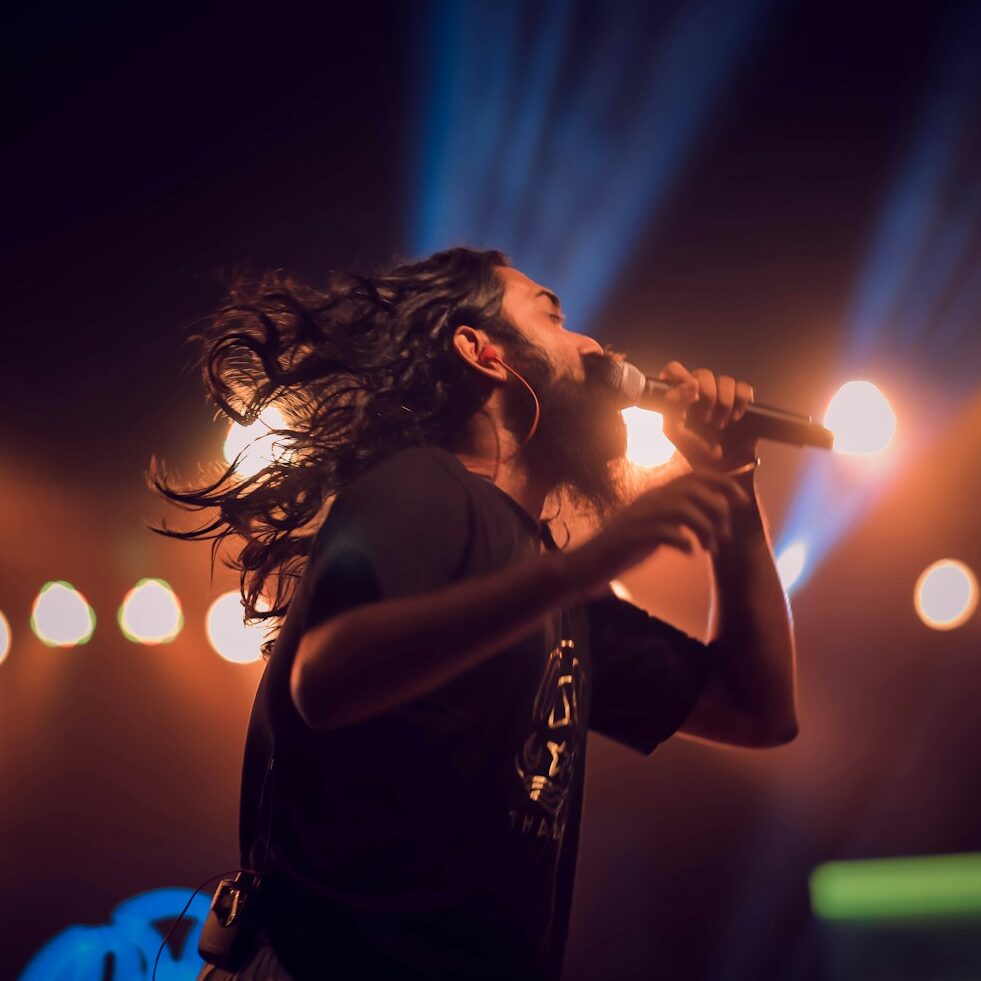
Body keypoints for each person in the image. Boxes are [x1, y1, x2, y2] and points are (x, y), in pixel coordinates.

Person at [151, 247, 797, 981]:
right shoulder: (420, 486)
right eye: (553, 316)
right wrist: (585, 566)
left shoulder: (553, 587)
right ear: (482, 351)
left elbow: (757, 710)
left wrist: (733, 484)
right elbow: (327, 677)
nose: (594, 345)